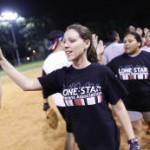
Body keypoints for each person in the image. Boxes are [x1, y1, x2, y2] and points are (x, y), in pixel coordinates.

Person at [0, 23, 141, 150]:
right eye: (64, 41)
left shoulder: (101, 72)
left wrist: (132, 140)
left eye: (72, 41)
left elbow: (119, 106)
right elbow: (27, 84)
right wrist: (2, 60)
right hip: (84, 143)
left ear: (86, 43)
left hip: (107, 141)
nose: (66, 45)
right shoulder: (61, 76)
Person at [107, 32, 150, 142]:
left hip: (147, 102)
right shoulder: (117, 61)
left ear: (139, 43)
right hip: (130, 104)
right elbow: (102, 73)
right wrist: (97, 57)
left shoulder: (147, 57)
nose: (126, 44)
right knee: (135, 131)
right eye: (124, 41)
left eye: (130, 41)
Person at [42, 30, 76, 150]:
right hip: (77, 100)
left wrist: (46, 104)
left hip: (61, 103)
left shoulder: (46, 62)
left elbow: (44, 86)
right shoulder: (70, 55)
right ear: (60, 41)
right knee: (82, 131)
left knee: (72, 131)